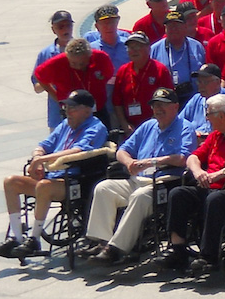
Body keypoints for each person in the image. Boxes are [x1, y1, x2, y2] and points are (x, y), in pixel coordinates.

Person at [0, 90, 109, 259]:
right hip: (51, 177)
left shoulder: (96, 127)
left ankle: (34, 239)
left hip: (73, 181)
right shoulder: (65, 124)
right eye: (66, 107)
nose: (67, 111)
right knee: (11, 182)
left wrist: (42, 160)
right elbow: (44, 144)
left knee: (44, 187)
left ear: (87, 110)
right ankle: (16, 237)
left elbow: (78, 150)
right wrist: (37, 157)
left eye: (72, 108)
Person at [80, 88, 197, 265]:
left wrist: (152, 162)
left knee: (139, 196)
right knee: (104, 188)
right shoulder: (148, 126)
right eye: (155, 105)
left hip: (164, 183)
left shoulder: (185, 127)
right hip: (137, 179)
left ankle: (116, 249)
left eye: (163, 105)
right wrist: (129, 163)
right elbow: (123, 150)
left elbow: (183, 158)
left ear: (175, 106)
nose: (158, 109)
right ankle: (102, 241)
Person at [153, 94, 225, 275]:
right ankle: (178, 249)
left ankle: (208, 255)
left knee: (215, 199)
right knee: (178, 194)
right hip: (210, 184)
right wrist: (198, 172)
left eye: (209, 114)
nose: (206, 118)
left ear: (222, 115)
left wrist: (222, 173)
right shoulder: (215, 136)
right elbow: (193, 157)